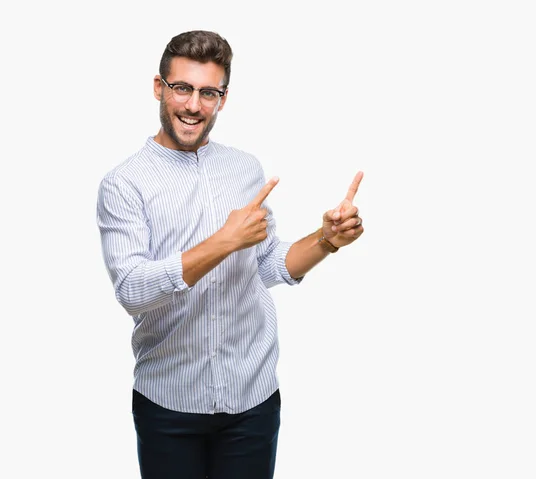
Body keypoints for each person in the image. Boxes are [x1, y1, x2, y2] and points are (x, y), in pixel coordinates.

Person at [96, 29, 364, 479]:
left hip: (252, 400)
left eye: (208, 92)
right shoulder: (124, 183)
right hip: (169, 404)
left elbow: (264, 264)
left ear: (222, 98)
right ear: (159, 88)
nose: (193, 105)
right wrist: (224, 240)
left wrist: (326, 240)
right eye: (182, 88)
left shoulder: (245, 169)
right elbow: (132, 291)